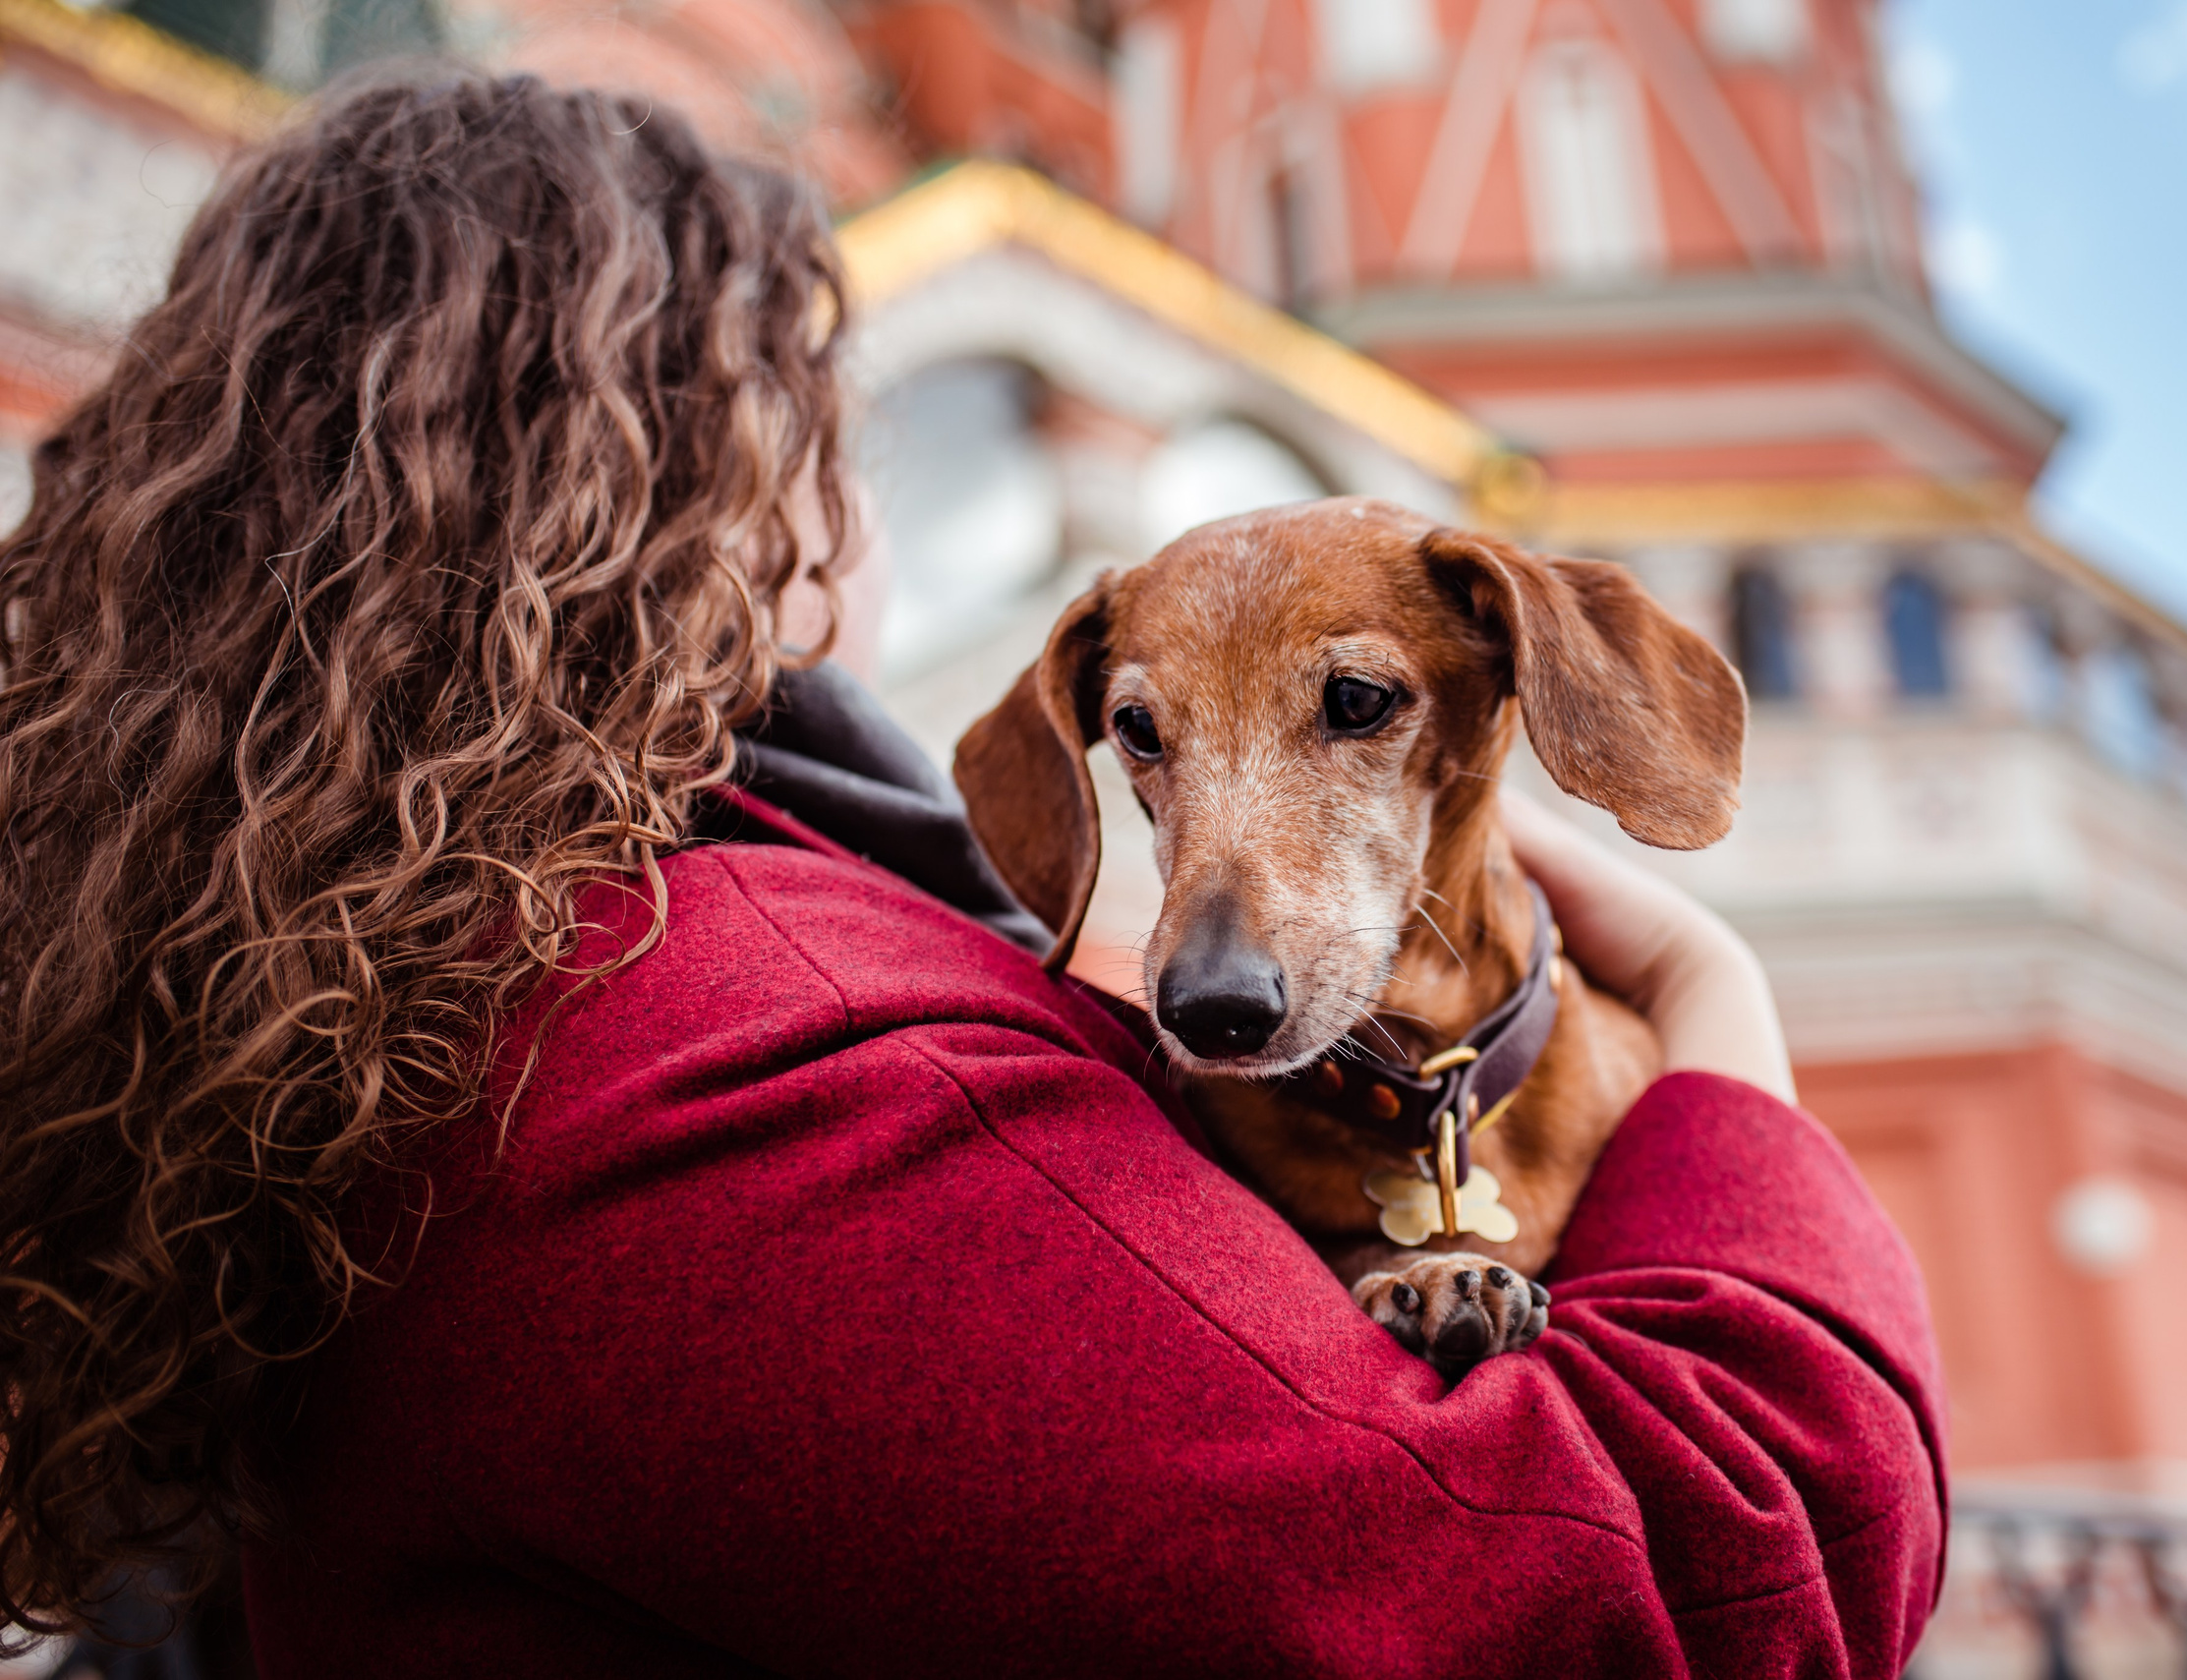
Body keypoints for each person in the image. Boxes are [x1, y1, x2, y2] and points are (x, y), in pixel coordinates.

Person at [0, 71, 1944, 1679]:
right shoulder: (748, 1064)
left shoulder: (443, 966)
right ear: (692, 490)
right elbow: (1669, 1609)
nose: (867, 491)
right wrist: (1712, 1033)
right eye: (826, 415)